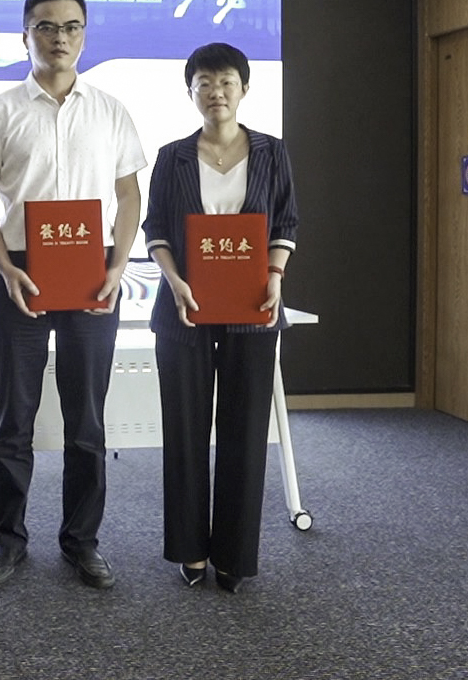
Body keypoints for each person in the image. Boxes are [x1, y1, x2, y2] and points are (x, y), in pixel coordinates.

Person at [0, 0, 146, 589]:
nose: (59, 37)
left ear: (84, 35)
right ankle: (7, 538)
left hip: (93, 271)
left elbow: (128, 194)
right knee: (13, 418)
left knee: (87, 419)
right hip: (19, 270)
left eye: (71, 27)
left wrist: (118, 265)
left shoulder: (110, 110)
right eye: (46, 26)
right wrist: (3, 264)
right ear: (26, 35)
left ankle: (82, 541)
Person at [142, 41, 298, 594]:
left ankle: (233, 554)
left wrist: (274, 276)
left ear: (245, 88)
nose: (216, 92)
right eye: (204, 83)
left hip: (253, 309)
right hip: (183, 310)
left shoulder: (272, 152)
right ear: (190, 92)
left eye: (226, 81)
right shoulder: (172, 156)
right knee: (185, 431)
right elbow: (156, 227)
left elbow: (286, 222)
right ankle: (190, 548)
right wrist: (174, 279)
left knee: (246, 433)